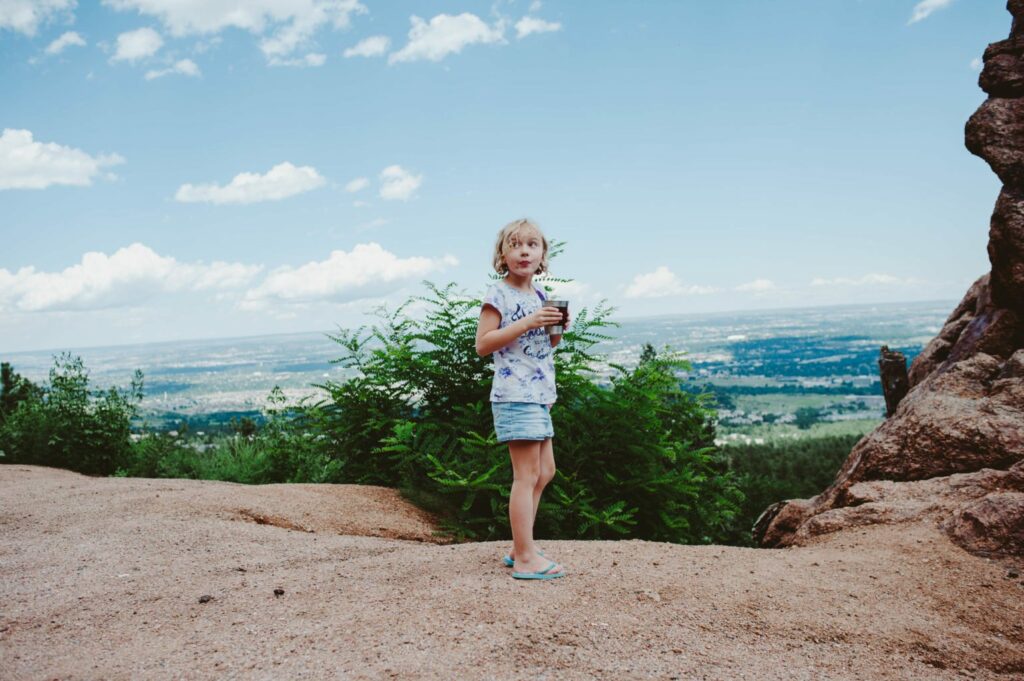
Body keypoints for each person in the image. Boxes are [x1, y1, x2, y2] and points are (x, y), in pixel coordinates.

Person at [475, 218, 569, 580]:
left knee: (545, 472)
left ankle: (520, 546)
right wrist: (529, 322)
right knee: (525, 475)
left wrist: (556, 328)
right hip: (515, 395)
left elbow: (545, 347)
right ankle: (527, 558)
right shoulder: (497, 295)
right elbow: (484, 345)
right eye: (515, 245)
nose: (524, 250)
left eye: (532, 244)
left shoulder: (540, 295)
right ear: (503, 254)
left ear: (543, 254)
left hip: (540, 395)